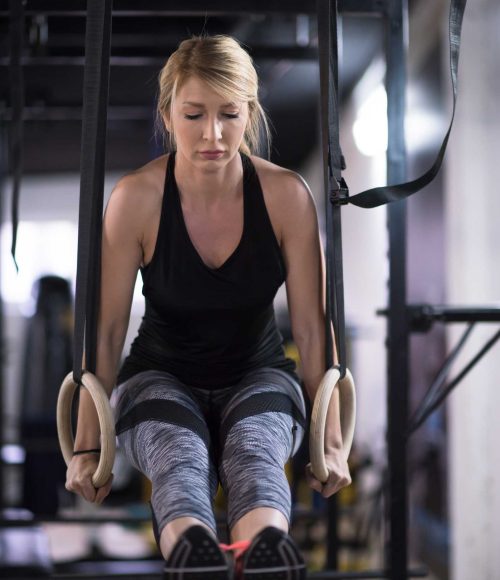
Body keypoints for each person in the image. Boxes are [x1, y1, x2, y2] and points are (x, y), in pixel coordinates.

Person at [65, 34, 351, 579]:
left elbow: (314, 332)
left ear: (250, 113)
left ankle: (265, 555)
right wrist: (86, 445)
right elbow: (104, 331)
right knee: (177, 455)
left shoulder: (286, 196)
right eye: (194, 114)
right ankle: (195, 559)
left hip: (259, 372)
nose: (213, 134)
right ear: (167, 115)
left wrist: (330, 441)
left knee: (255, 448)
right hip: (159, 375)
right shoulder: (137, 198)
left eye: (229, 114)